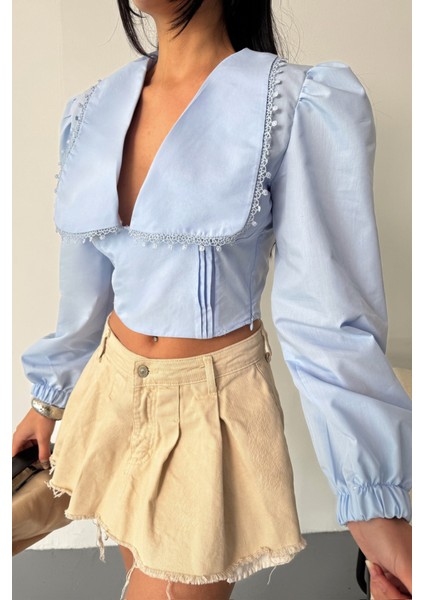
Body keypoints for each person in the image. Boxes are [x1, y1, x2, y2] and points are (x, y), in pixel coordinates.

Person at [12, 1, 412, 599]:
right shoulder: (94, 108)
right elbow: (86, 291)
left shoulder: (292, 105)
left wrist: (371, 496)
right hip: (109, 393)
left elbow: (327, 318)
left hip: (209, 413)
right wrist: (48, 399)